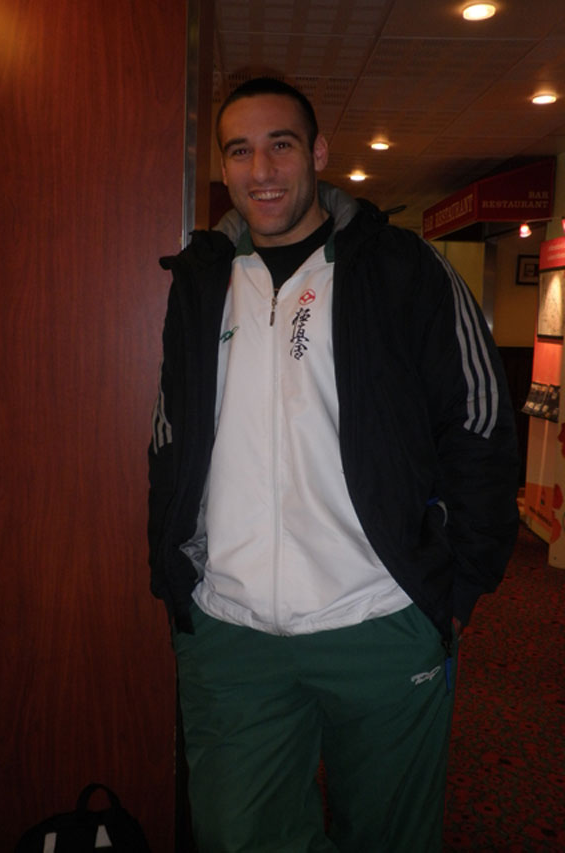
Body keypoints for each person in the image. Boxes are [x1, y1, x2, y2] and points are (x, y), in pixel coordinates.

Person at [148, 76, 519, 852]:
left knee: (389, 838)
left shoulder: (403, 269)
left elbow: (480, 424)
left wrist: (456, 587)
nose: (262, 170)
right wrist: (175, 576)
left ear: (317, 152)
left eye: (281, 145)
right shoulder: (201, 282)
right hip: (231, 629)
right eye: (240, 151)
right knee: (236, 835)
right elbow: (169, 434)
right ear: (225, 165)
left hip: (379, 617)